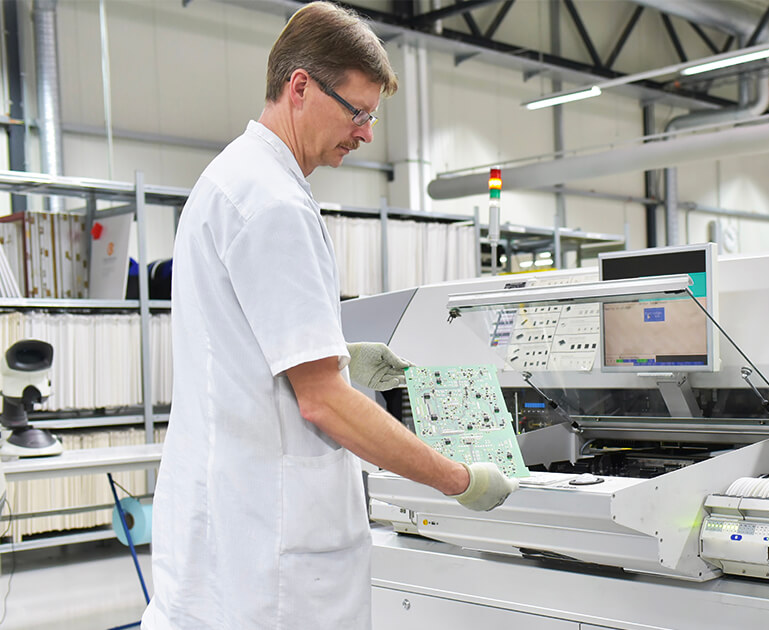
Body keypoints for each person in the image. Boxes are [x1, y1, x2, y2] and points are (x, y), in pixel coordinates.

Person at [141, 3, 518, 628]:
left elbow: (240, 342)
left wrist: (335, 349)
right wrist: (459, 479)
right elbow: (322, 403)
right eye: (358, 112)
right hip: (272, 546)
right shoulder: (275, 203)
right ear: (299, 87)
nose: (366, 133)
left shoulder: (230, 178)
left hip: (229, 518)